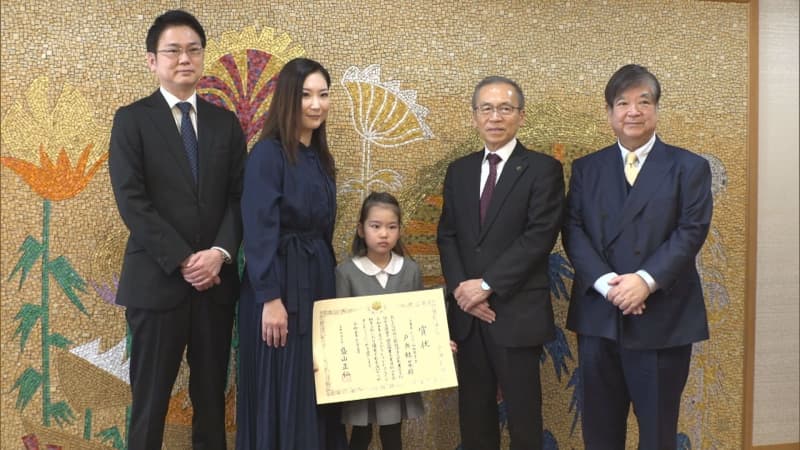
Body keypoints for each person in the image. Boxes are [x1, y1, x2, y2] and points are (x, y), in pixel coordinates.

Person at [108, 9, 246, 450]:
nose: (184, 59)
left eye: (193, 50)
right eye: (173, 51)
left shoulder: (226, 123)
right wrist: (186, 259)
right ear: (153, 61)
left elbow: (239, 198)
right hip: (156, 283)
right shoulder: (131, 120)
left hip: (215, 286)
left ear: (203, 58)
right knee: (149, 403)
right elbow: (132, 201)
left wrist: (220, 253)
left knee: (211, 402)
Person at [563, 64, 713, 449]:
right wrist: (607, 285)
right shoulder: (586, 168)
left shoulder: (688, 167)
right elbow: (573, 230)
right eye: (623, 102)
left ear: (656, 109)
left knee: (658, 432)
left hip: (663, 317)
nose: (633, 111)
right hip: (601, 315)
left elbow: (691, 231)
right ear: (609, 113)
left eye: (643, 101)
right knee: (600, 431)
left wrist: (644, 281)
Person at [436, 76, 565, 450]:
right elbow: (448, 235)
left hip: (516, 313)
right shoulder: (458, 171)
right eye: (487, 108)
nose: (496, 117)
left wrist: (486, 286)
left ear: (521, 116)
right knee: (474, 423)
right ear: (475, 116)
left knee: (525, 422)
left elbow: (539, 237)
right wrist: (464, 292)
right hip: (469, 318)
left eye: (505, 108)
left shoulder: (543, 169)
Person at [236, 57, 347, 450]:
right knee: (279, 385)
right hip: (278, 288)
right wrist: (270, 298)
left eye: (323, 94)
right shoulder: (267, 154)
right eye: (306, 95)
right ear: (288, 99)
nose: (316, 104)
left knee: (313, 384)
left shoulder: (320, 157)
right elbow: (258, 228)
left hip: (315, 282)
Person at [335, 192, 425, 450]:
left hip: (396, 370)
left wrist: (438, 345)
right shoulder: (346, 272)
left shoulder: (410, 270)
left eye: (391, 227)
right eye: (376, 226)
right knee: (360, 434)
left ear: (399, 230)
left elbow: (420, 320)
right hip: (361, 370)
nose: (384, 233)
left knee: (392, 433)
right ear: (361, 230)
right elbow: (338, 327)